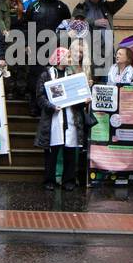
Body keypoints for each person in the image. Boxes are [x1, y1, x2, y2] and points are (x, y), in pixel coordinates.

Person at [35, 46, 87, 191]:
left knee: (70, 151)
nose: (70, 59)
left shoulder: (73, 75)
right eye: (67, 56)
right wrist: (51, 106)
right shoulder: (47, 74)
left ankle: (68, 181)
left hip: (71, 117)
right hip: (53, 118)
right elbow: (40, 96)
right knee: (52, 152)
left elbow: (78, 96)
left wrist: (84, 100)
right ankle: (49, 180)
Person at [24, 0, 70, 111]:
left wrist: (64, 47)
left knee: (52, 76)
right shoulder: (34, 6)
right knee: (35, 75)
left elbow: (66, 28)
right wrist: (27, 44)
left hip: (55, 47)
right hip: (36, 46)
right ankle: (34, 105)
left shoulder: (62, 7)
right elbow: (27, 26)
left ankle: (52, 104)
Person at [72, 0, 126, 74]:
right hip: (89, 51)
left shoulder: (106, 6)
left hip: (107, 52)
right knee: (91, 80)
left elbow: (122, 0)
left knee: (107, 83)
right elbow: (75, 25)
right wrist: (93, 22)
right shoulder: (81, 7)